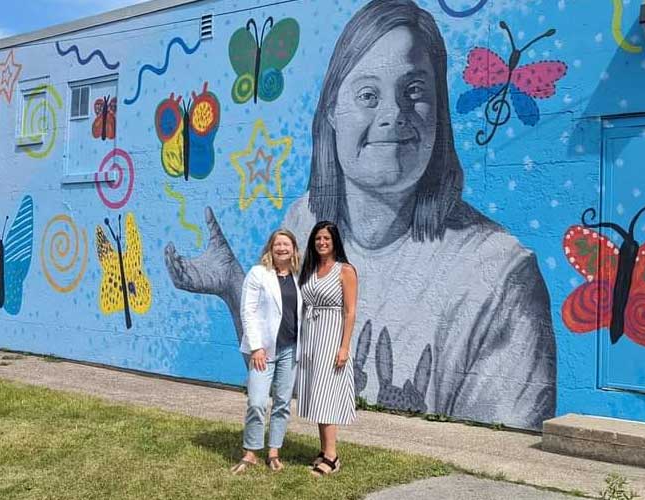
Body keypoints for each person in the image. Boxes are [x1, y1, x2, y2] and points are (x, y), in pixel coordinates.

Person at [165, 0, 556, 430]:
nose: (393, 115)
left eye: (414, 91)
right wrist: (234, 288)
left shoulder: (500, 277)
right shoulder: (305, 220)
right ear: (332, 111)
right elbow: (280, 374)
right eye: (369, 94)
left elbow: (494, 465)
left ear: (439, 111)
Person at [229, 229, 303, 474]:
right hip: (264, 351)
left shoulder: (297, 276)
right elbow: (247, 312)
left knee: (282, 403)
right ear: (270, 249)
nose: (282, 248)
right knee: (257, 401)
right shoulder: (258, 274)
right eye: (277, 244)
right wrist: (256, 347)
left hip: (290, 349)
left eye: (286, 244)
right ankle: (250, 452)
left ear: (293, 249)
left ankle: (273, 452)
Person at [296, 221, 358, 476]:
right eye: (318, 238)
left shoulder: (345, 270)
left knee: (327, 395)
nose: (322, 243)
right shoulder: (310, 268)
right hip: (311, 337)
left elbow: (350, 311)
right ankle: (323, 449)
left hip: (331, 338)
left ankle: (332, 456)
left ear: (335, 242)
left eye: (327, 239)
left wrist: (344, 347)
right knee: (316, 394)